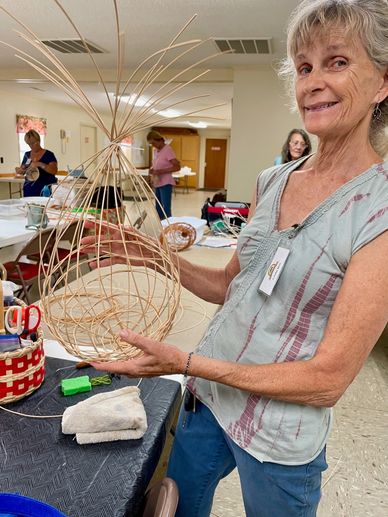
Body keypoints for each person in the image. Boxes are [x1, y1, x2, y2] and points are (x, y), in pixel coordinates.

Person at [83, 1, 388, 515]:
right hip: (209, 403)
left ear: (382, 82)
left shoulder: (377, 211)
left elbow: (328, 379)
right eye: (304, 66)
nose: (312, 82)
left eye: (337, 61)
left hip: (278, 436)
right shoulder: (273, 181)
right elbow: (233, 284)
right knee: (175, 506)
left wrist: (185, 362)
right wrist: (154, 256)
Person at [146, 130, 180, 219]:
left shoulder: (168, 149)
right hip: (158, 182)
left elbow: (177, 167)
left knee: (166, 208)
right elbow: (156, 164)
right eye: (151, 144)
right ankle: (161, 226)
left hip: (166, 182)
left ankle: (169, 226)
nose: (153, 146)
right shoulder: (155, 151)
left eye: (154, 143)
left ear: (159, 140)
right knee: (158, 207)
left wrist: (161, 171)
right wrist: (152, 169)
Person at [15, 129, 58, 197]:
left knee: (45, 206)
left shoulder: (49, 154)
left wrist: (40, 164)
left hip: (45, 189)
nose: (31, 146)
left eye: (33, 143)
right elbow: (24, 167)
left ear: (38, 141)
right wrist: (21, 170)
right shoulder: (27, 155)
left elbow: (54, 171)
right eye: (29, 144)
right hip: (30, 188)